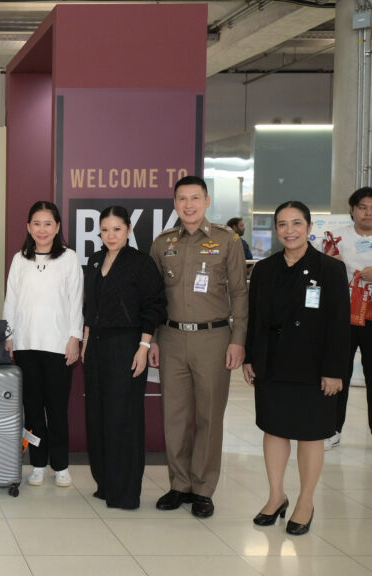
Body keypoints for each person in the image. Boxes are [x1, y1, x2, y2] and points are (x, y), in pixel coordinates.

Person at [244, 200, 348, 536]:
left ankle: (305, 500)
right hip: (273, 363)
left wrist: (335, 370)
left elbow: (339, 325)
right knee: (274, 429)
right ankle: (276, 497)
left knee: (310, 434)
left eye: (297, 223)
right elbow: (255, 320)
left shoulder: (330, 270)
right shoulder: (264, 269)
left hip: (314, 366)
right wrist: (250, 358)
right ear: (276, 230)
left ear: (309, 227)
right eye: (283, 224)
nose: (290, 231)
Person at [148, 175, 248, 518]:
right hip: (172, 338)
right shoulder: (163, 243)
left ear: (206, 201)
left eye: (195, 198)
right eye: (182, 199)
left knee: (209, 416)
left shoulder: (226, 240)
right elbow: (154, 298)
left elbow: (239, 292)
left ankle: (203, 488)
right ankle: (179, 485)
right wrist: (155, 340)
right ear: (174, 204)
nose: (188, 205)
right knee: (174, 417)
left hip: (214, 338)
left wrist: (238, 340)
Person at [82, 206, 166, 509]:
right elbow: (90, 307)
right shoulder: (94, 261)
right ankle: (105, 484)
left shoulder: (140, 264)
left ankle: (125, 491)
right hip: (96, 348)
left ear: (129, 230)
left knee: (123, 418)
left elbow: (154, 307)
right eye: (105, 229)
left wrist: (144, 347)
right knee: (98, 415)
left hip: (127, 346)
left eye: (117, 229)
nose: (110, 235)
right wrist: (86, 341)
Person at [2, 201, 83, 488]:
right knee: (33, 410)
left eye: (48, 223)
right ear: (28, 227)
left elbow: (76, 301)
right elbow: (11, 300)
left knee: (57, 410)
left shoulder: (69, 258)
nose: (42, 229)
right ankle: (37, 464)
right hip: (25, 345)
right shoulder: (19, 259)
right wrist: (8, 335)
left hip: (59, 346)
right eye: (37, 223)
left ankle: (60, 465)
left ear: (58, 227)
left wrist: (75, 338)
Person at [322, 186, 372, 449]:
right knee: (336, 371)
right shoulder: (335, 238)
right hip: (341, 315)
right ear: (352, 210)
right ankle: (331, 429)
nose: (368, 213)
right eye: (363, 207)